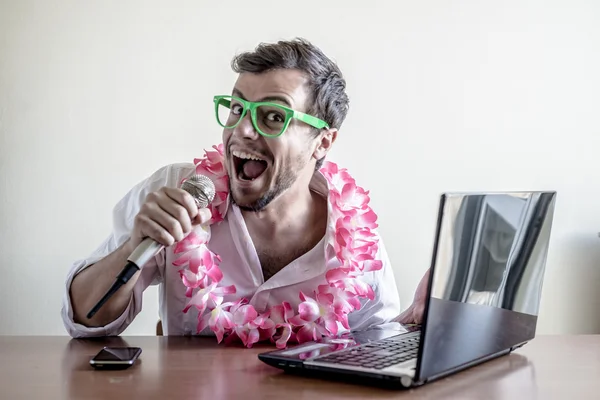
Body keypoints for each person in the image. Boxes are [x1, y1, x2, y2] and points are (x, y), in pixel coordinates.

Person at [61, 38, 428, 348]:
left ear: (322, 141)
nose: (243, 130)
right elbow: (84, 320)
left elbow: (377, 346)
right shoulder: (174, 192)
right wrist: (132, 249)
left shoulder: (357, 241)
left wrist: (417, 324)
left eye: (272, 116)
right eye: (237, 108)